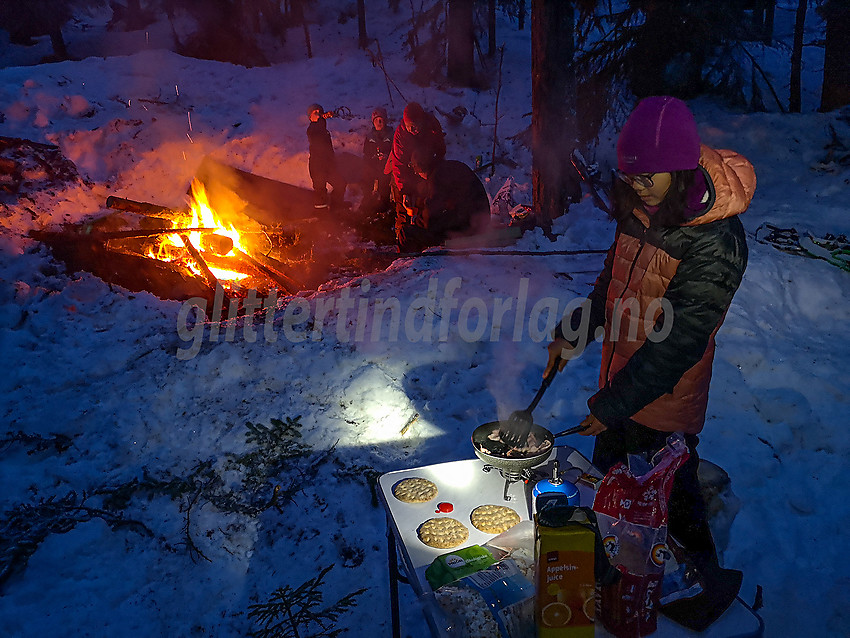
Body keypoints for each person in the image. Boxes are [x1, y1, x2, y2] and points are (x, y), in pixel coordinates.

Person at [544, 96, 754, 610]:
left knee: (673, 496)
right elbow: (612, 286)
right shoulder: (642, 208)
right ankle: (609, 574)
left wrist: (611, 406)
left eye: (647, 177)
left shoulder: (715, 241)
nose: (635, 186)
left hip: (665, 393)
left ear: (680, 169)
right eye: (629, 174)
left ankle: (708, 588)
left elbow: (680, 343)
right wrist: (577, 330)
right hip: (621, 380)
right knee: (612, 487)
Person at [395, 150, 490, 252]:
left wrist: (417, 221)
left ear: (421, 167)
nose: (417, 174)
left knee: (407, 233)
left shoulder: (437, 176)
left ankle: (407, 263)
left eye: (416, 171)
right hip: (478, 220)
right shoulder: (448, 167)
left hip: (467, 227)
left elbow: (430, 216)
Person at [386, 101, 446, 215]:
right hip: (403, 168)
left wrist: (436, 173)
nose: (412, 130)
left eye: (415, 126)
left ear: (421, 121)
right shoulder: (401, 134)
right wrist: (404, 192)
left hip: (424, 163)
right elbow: (398, 164)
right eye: (409, 126)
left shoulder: (431, 125)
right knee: (404, 205)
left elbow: (440, 148)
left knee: (426, 198)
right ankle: (402, 225)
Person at [306, 103, 347, 210]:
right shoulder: (311, 129)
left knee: (340, 184)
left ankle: (336, 207)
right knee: (320, 192)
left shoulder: (323, 129)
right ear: (310, 117)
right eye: (315, 112)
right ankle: (321, 216)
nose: (318, 114)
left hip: (328, 165)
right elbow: (318, 128)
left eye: (319, 111)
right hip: (317, 166)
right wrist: (322, 118)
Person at [361, 106, 394, 214]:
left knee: (384, 176)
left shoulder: (391, 135)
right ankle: (367, 198)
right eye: (376, 120)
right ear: (373, 122)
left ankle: (384, 201)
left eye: (381, 119)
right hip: (373, 164)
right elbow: (366, 153)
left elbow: (396, 151)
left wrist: (387, 156)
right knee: (366, 172)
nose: (379, 122)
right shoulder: (370, 137)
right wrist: (373, 157)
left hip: (387, 164)